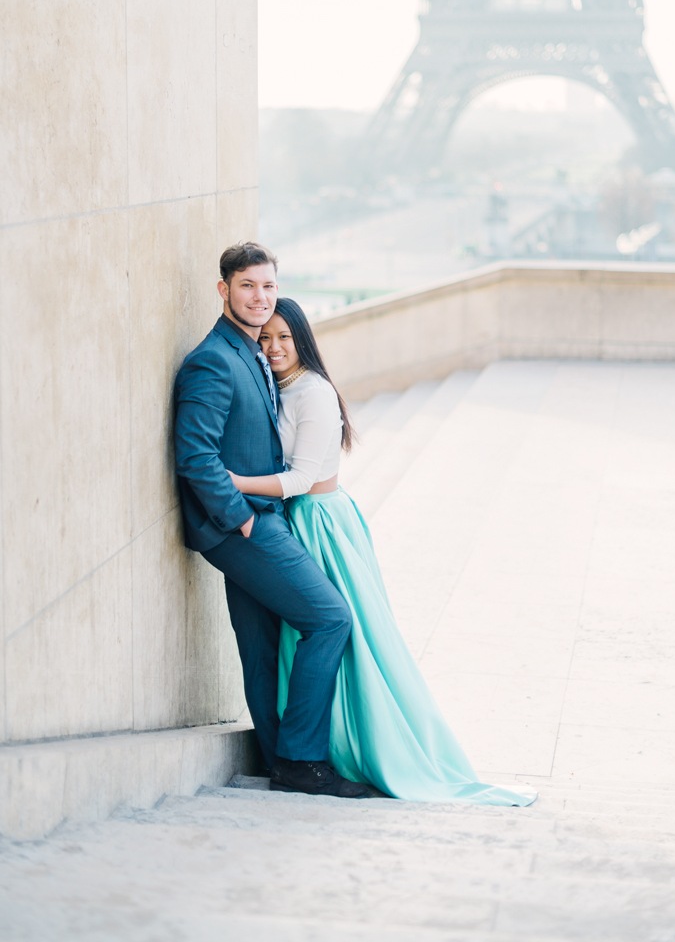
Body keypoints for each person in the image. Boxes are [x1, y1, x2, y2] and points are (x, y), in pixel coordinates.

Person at [227, 295, 536, 806]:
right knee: (304, 638)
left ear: (303, 340)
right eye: (266, 337)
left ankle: (346, 747)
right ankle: (300, 747)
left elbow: (303, 477)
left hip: (320, 521)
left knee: (347, 633)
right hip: (295, 521)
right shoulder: (276, 387)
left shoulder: (314, 393)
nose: (275, 346)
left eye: (285, 337)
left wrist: (234, 482)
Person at [174, 242, 371, 798]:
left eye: (268, 286)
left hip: (262, 516)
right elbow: (195, 455)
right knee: (330, 618)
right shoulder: (214, 359)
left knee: (260, 647)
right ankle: (302, 761)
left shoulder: (253, 350)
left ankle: (274, 758)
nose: (260, 298)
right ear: (224, 290)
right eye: (247, 286)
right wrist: (242, 520)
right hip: (241, 525)